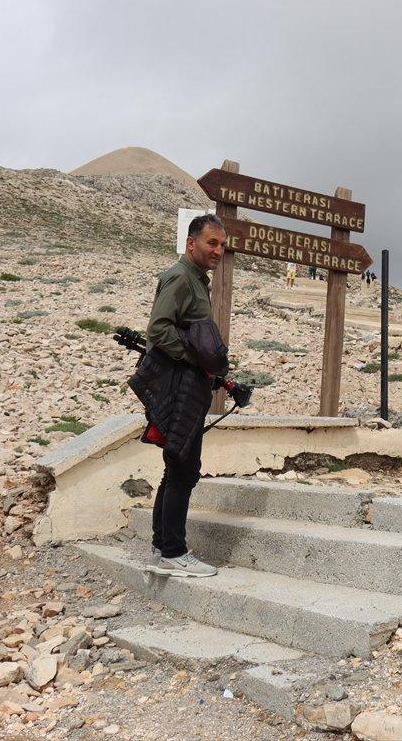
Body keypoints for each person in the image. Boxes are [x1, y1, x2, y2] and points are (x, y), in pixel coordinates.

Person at [138, 214, 230, 578]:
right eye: (211, 243)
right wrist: (194, 359)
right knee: (184, 470)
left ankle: (164, 545)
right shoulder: (179, 277)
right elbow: (158, 329)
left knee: (177, 466)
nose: (218, 250)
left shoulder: (194, 279)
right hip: (180, 386)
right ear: (191, 243)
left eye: (222, 245)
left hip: (187, 383)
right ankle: (174, 551)